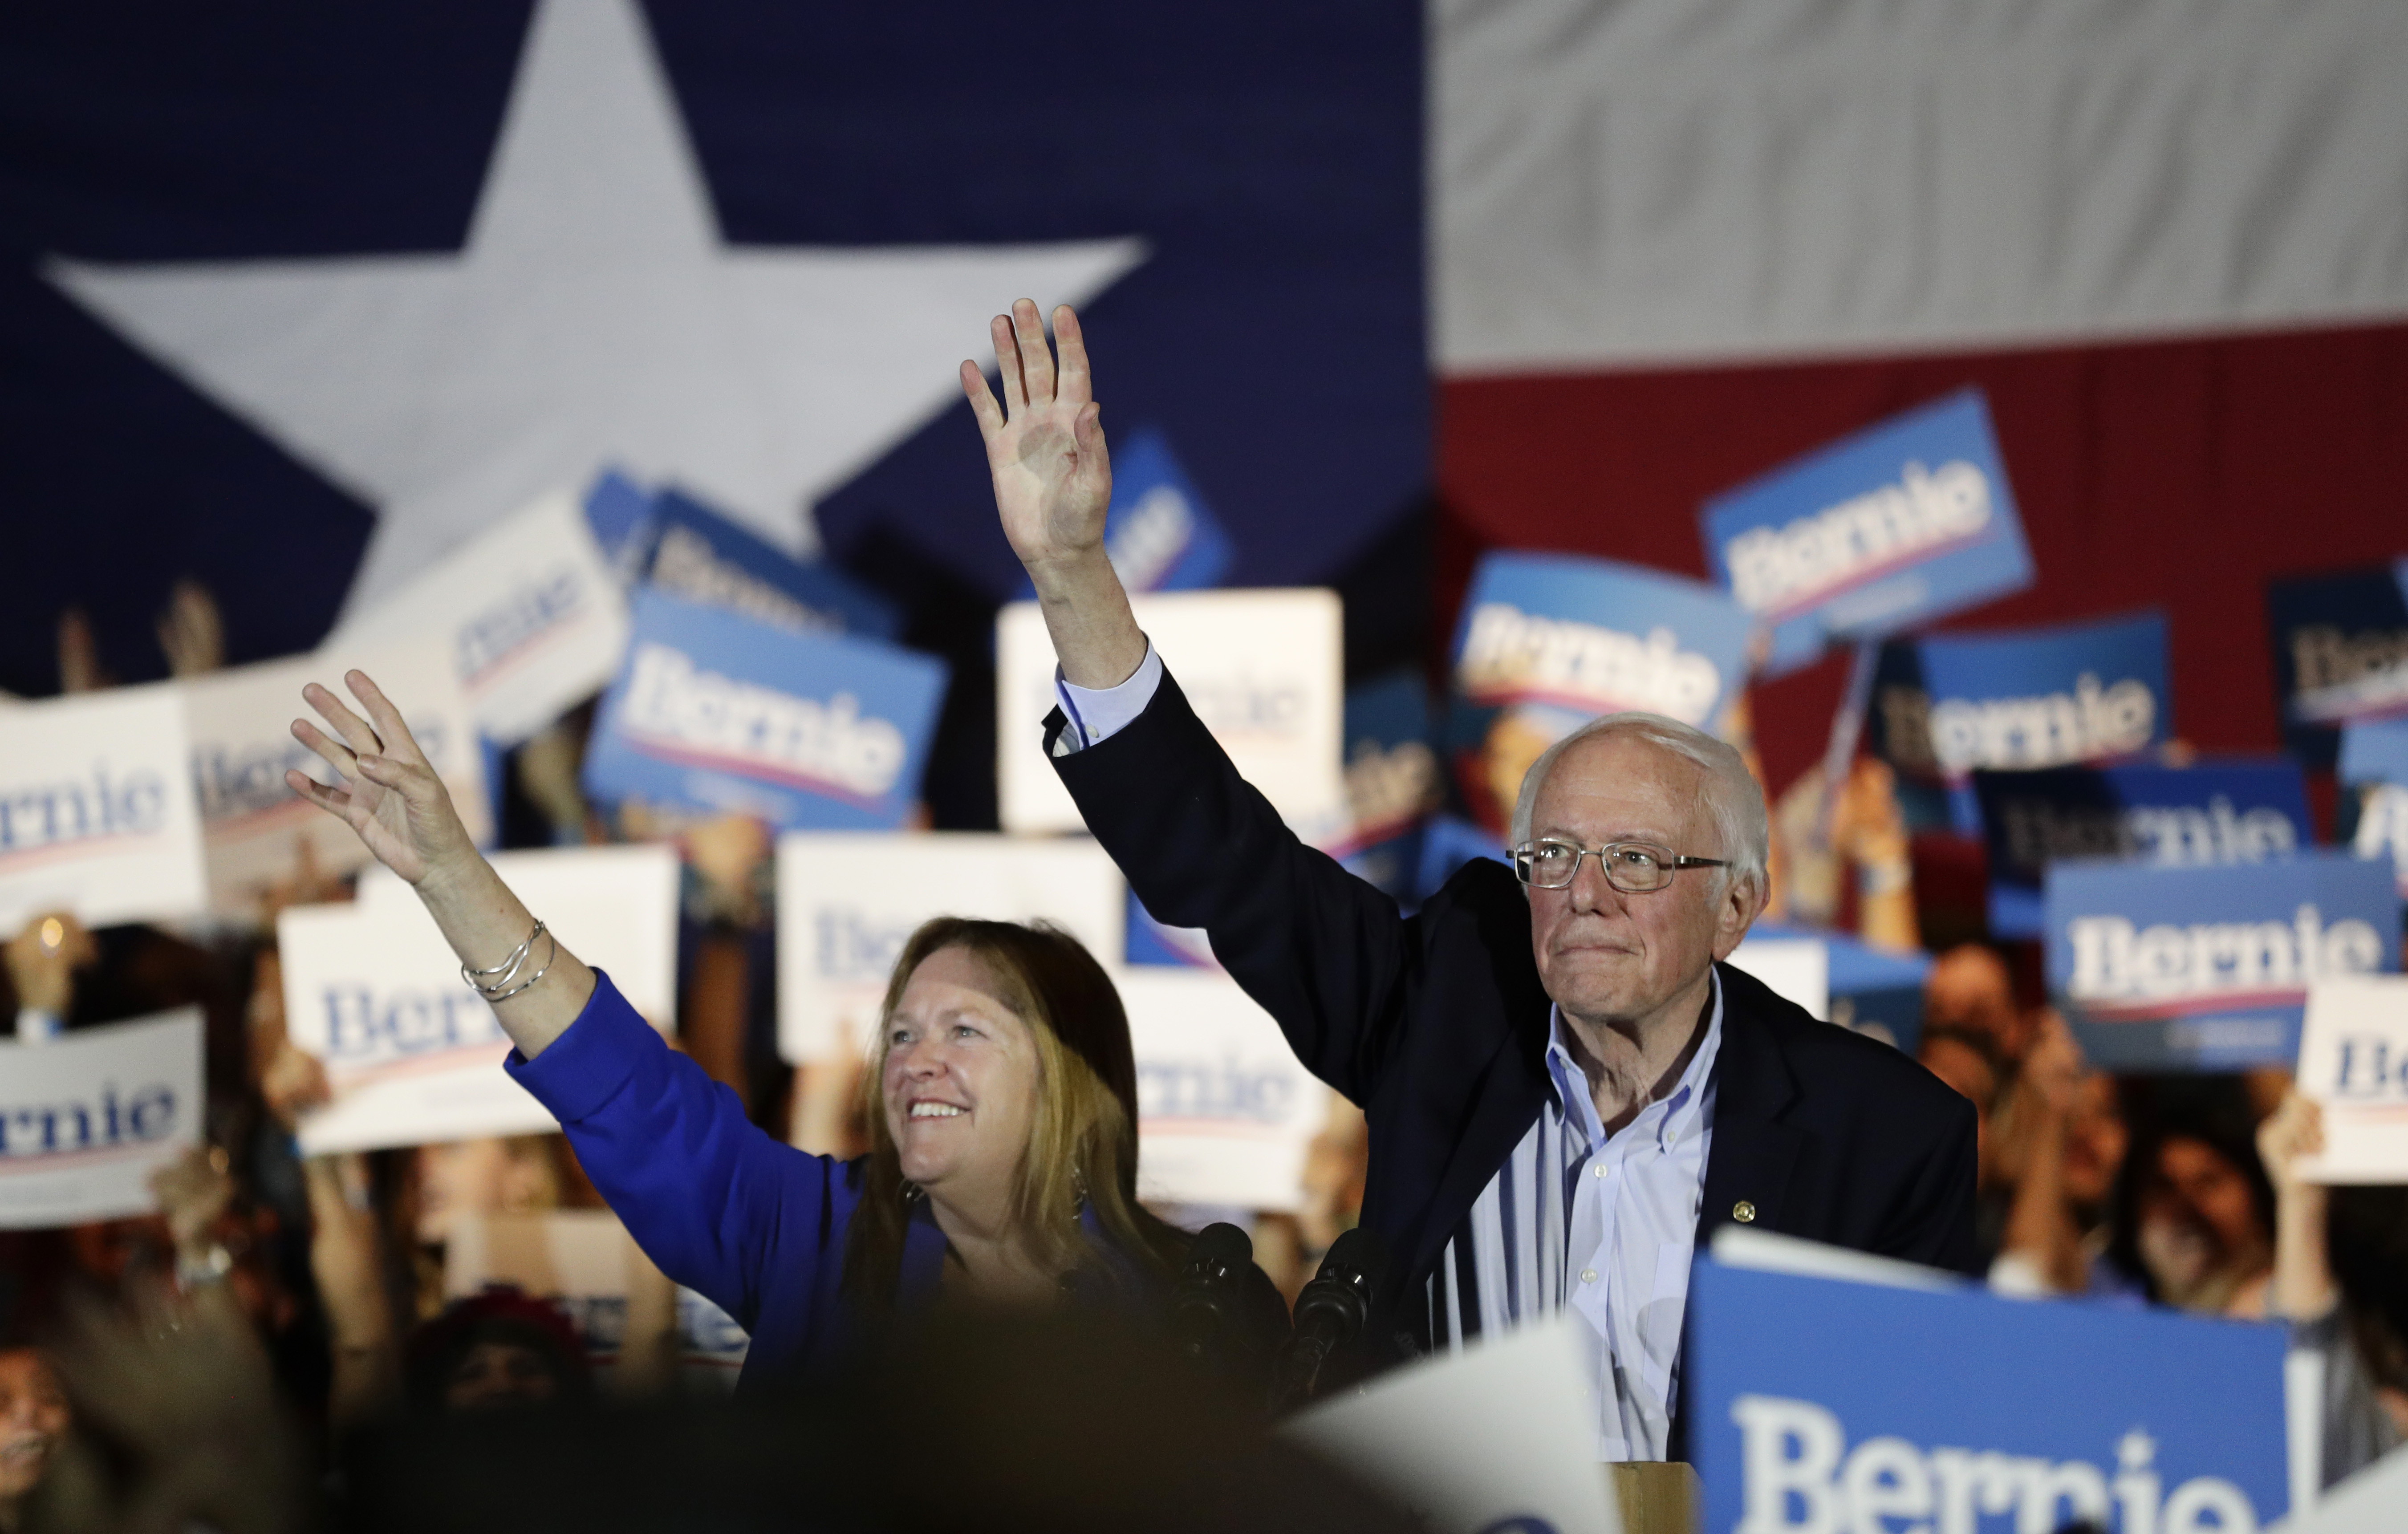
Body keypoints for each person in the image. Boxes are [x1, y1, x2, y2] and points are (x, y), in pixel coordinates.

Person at [961, 299, 1978, 1459]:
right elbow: (1223, 863)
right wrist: (1072, 567)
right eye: (1551, 855)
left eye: (1636, 860)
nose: (1582, 891)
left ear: (1736, 906)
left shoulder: (1883, 1134)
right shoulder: (1449, 1006)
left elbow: (1916, 1453)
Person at [281, 676, 1280, 1390]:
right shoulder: (818, 1237)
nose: (915, 1057)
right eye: (898, 1034)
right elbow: (630, 1095)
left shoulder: (1194, 1303)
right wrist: (451, 873)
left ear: (1069, 1075)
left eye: (963, 1028)